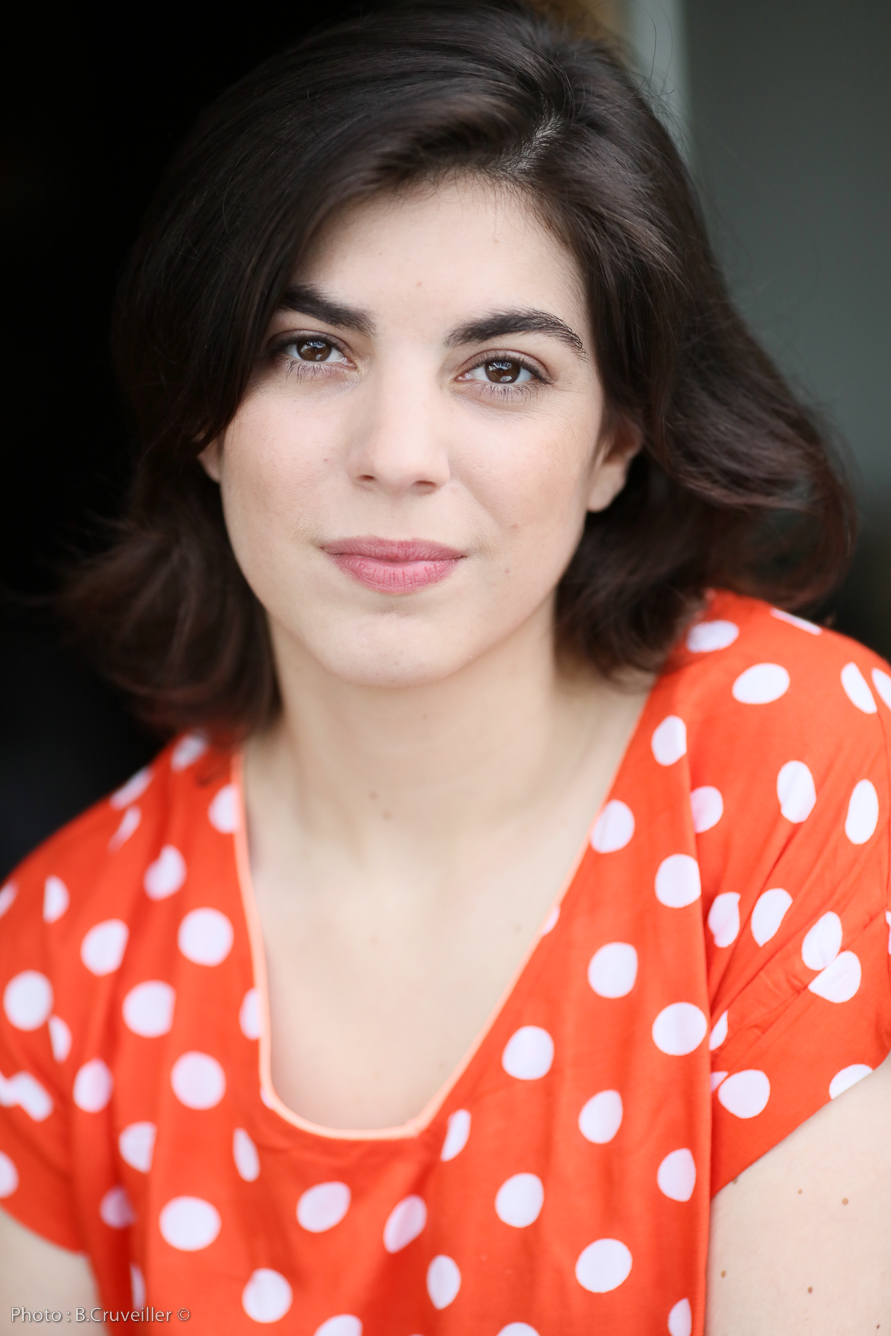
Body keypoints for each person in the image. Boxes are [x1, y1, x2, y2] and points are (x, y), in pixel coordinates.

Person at [1, 3, 889, 1331]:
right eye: (312, 349)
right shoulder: (59, 952)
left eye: (505, 369)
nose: (400, 455)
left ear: (615, 443)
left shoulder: (798, 765)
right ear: (202, 414)